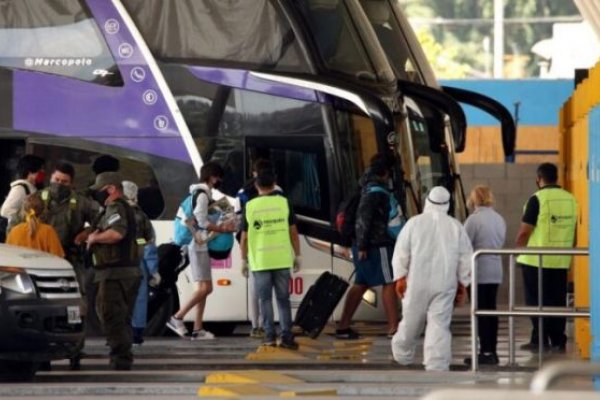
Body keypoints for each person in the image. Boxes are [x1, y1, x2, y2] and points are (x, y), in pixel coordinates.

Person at [391, 186, 472, 371]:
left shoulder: (414, 223)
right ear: (448, 205)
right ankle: (436, 363)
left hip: (416, 281)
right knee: (440, 324)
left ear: (427, 201)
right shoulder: (455, 226)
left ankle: (402, 354)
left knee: (411, 321)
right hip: (445, 282)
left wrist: (400, 277)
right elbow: (466, 257)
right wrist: (463, 283)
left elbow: (401, 252)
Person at [166, 162, 235, 340]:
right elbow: (202, 222)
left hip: (199, 245)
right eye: (218, 177)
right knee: (206, 288)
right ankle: (177, 317)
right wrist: (223, 229)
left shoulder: (201, 194)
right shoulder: (202, 195)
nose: (219, 180)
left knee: (204, 288)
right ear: (212, 177)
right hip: (197, 245)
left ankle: (198, 328)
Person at [336, 158, 400, 339]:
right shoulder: (375, 192)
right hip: (376, 244)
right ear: (385, 173)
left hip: (363, 244)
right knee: (389, 282)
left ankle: (343, 326)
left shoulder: (364, 187)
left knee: (361, 283)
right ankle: (394, 328)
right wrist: (363, 245)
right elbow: (363, 219)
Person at [515, 162, 577, 353]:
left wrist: (517, 249)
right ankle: (558, 340)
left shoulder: (537, 199)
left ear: (538, 179)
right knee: (557, 302)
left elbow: (525, 232)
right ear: (556, 178)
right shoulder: (571, 199)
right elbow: (574, 233)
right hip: (560, 261)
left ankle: (540, 340)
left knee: (536, 303)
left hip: (535, 261)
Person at [240, 169, 301, 350]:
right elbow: (293, 233)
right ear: (274, 184)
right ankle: (287, 337)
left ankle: (269, 336)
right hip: (282, 259)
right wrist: (297, 255)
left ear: (256, 185)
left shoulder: (250, 206)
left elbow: (244, 237)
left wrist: (243, 260)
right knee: (283, 299)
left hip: (260, 261)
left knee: (264, 299)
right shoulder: (284, 203)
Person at [86, 172, 142, 370]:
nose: (96, 195)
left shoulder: (115, 207)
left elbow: (117, 233)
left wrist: (94, 239)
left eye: (99, 191)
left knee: (111, 315)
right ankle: (122, 357)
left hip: (115, 273)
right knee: (121, 316)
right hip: (124, 272)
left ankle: (120, 359)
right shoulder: (124, 207)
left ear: (110, 189)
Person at [235, 159, 283, 338]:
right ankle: (270, 325)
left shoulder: (242, 192)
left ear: (254, 173)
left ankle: (257, 325)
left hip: (252, 245)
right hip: (275, 243)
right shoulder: (278, 192)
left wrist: (242, 257)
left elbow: (239, 221)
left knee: (255, 288)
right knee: (276, 292)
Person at [463, 185, 506, 366]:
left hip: (478, 271)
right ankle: (492, 351)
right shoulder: (499, 218)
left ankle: (484, 352)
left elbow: (464, 245)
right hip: (495, 270)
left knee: (480, 313)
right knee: (491, 311)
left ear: (474, 199)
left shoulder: (474, 220)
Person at [122, 180, 159, 345]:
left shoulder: (111, 213)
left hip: (116, 264)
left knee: (117, 298)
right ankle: (136, 334)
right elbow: (148, 244)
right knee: (139, 299)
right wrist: (153, 270)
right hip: (137, 264)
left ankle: (117, 334)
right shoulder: (141, 217)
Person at [1, 155, 45, 236]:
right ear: (30, 172)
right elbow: (5, 211)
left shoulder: (32, 188)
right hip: (15, 231)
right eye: (40, 170)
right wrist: (23, 219)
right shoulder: (20, 188)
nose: (43, 172)